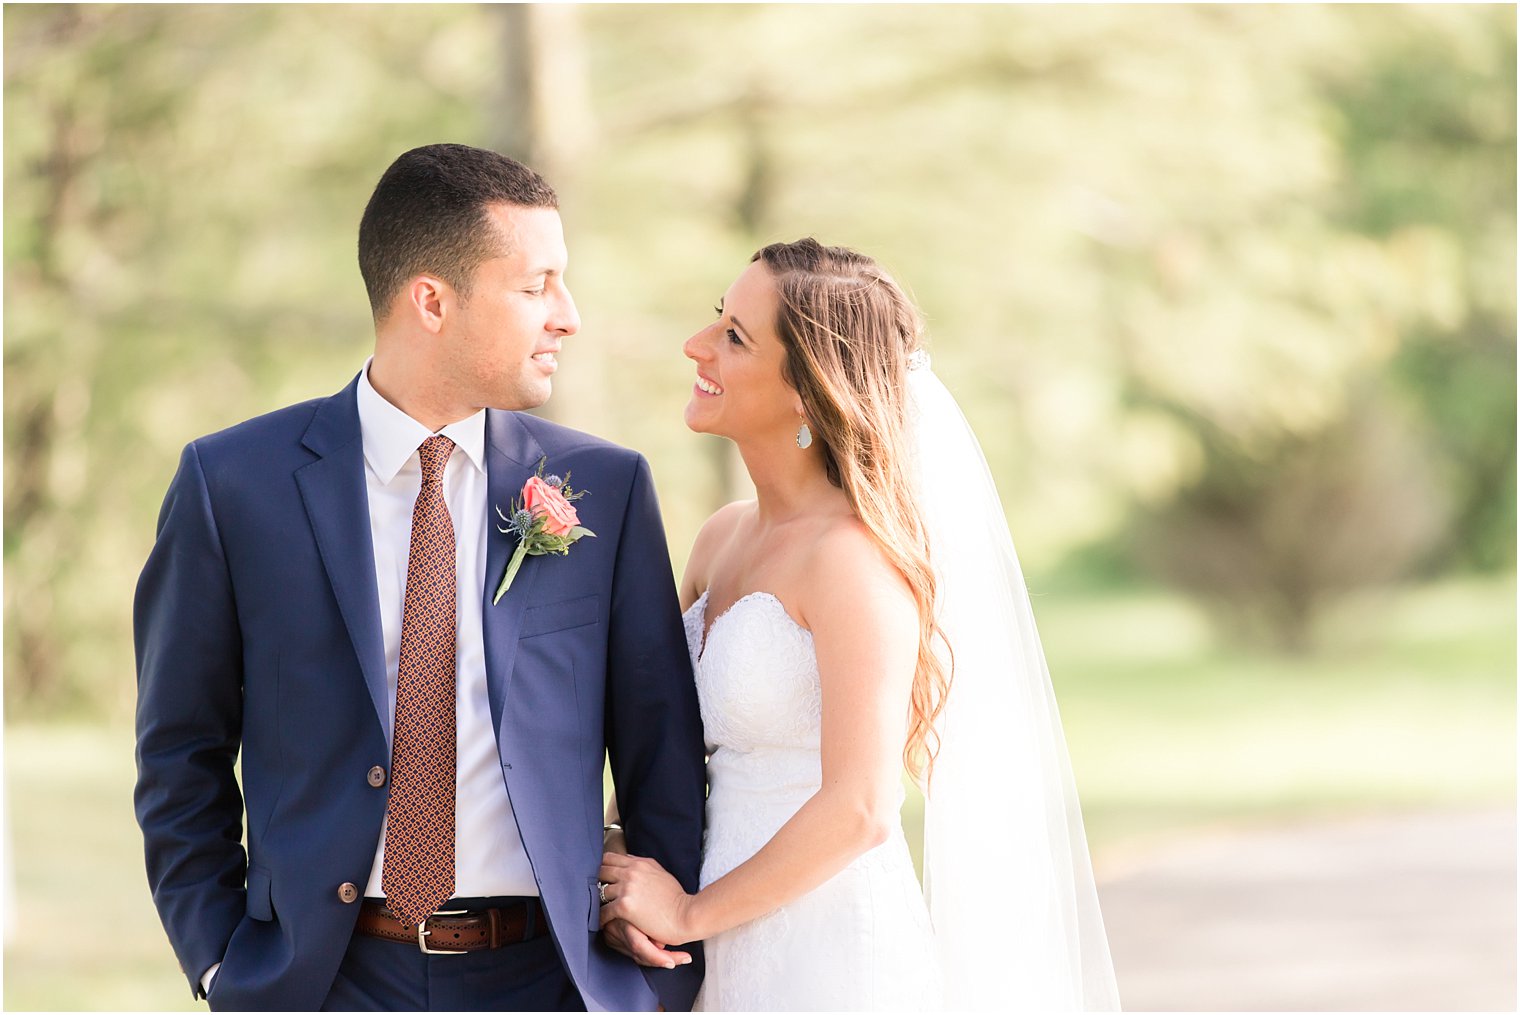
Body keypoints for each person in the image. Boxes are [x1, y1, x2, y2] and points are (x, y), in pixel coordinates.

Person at [133, 143, 707, 1012]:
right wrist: (221, 964)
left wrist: (666, 981)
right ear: (432, 300)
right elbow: (180, 750)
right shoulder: (232, 485)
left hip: (549, 979)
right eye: (535, 285)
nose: (568, 316)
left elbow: (660, 746)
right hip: (326, 982)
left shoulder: (607, 489)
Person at [597, 239, 1122, 1010]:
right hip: (724, 944)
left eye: (735, 336)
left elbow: (863, 806)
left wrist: (688, 912)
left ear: (809, 393)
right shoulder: (720, 538)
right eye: (719, 319)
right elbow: (666, 738)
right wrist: (618, 861)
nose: (696, 345)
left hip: (827, 949)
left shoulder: (852, 561)